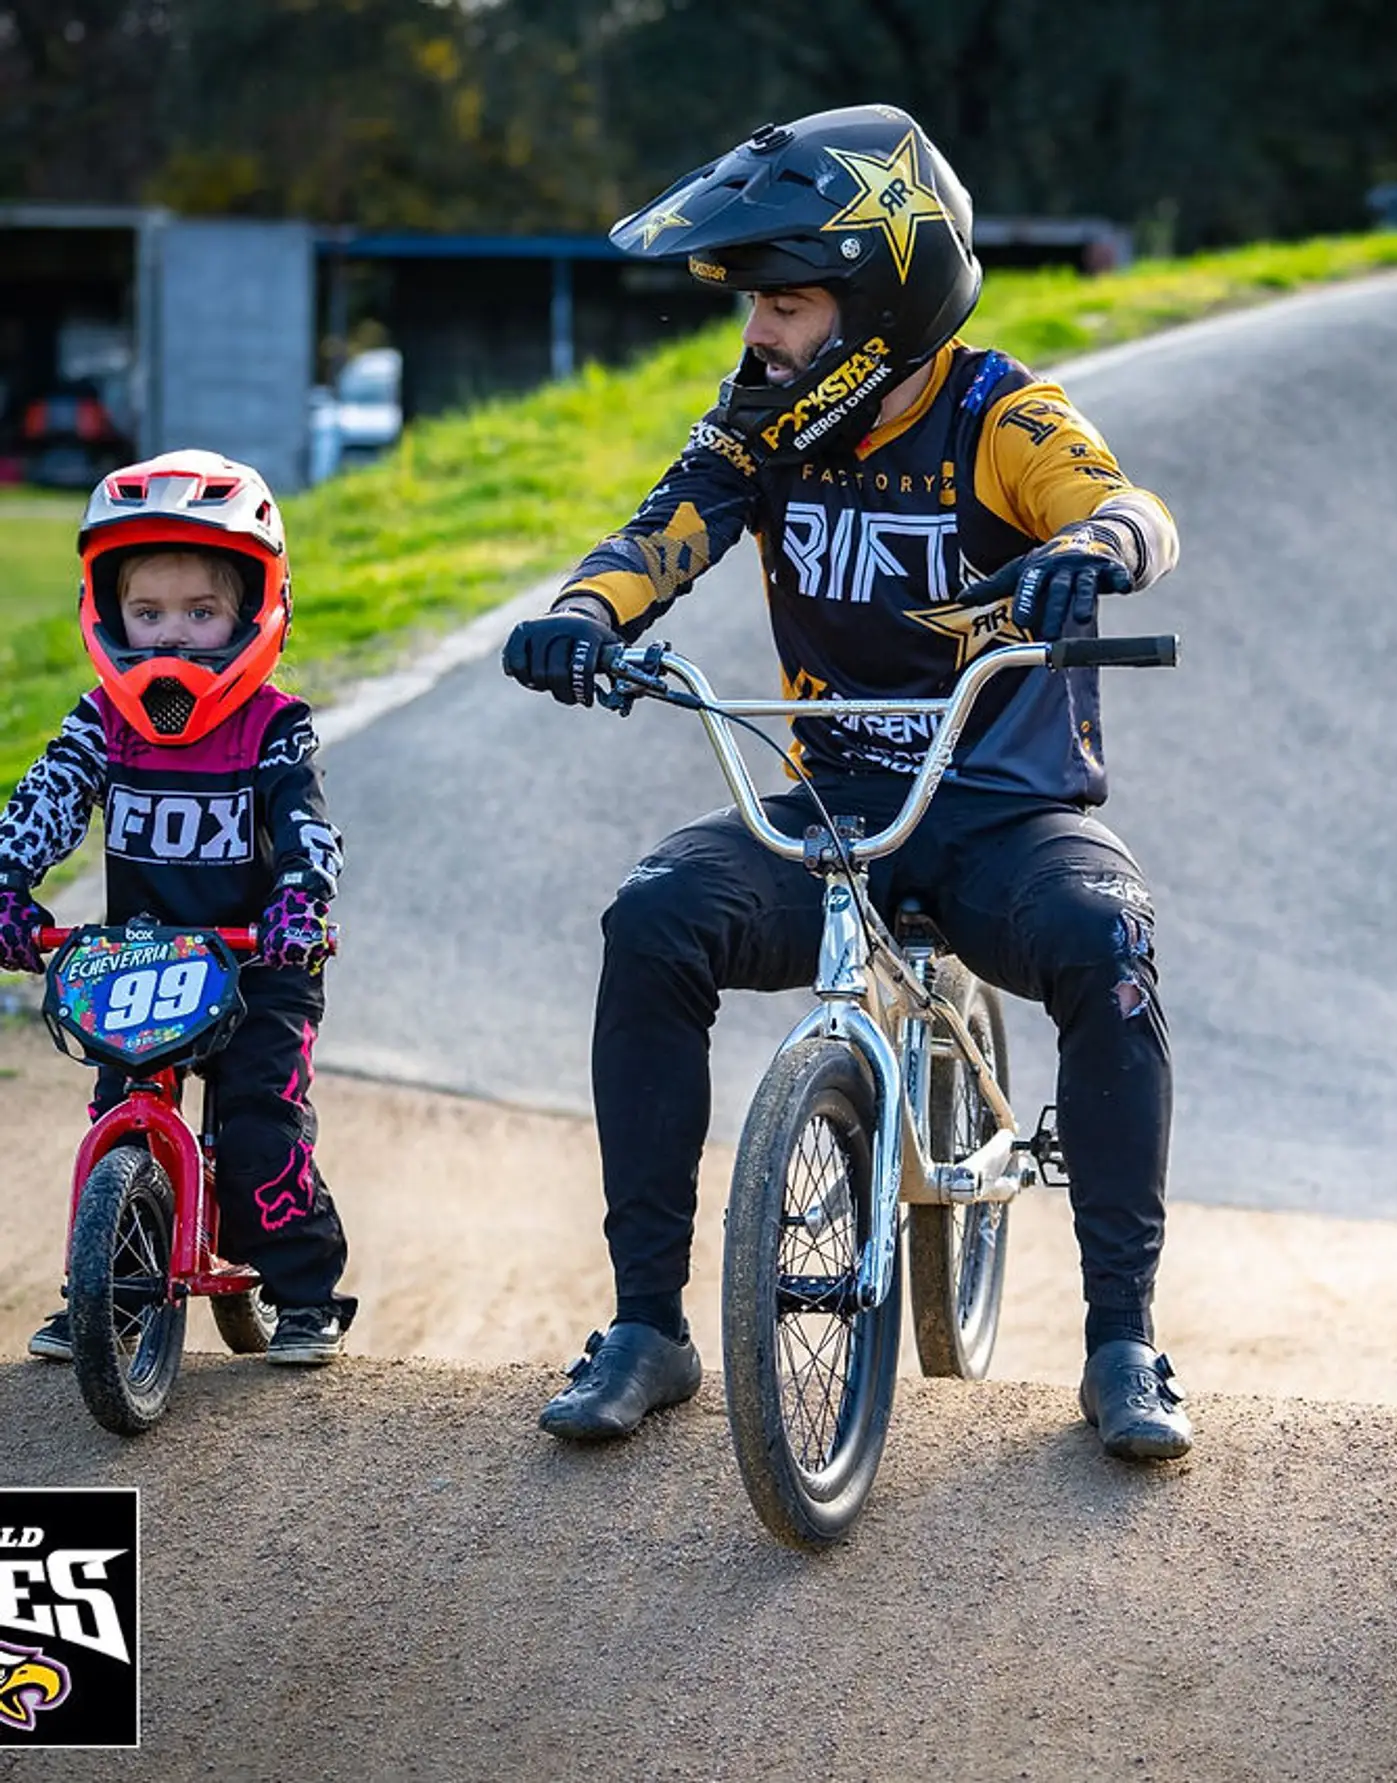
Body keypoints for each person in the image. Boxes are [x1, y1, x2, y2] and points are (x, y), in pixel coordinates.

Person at [502, 104, 1190, 1461]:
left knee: (1112, 944)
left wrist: (1095, 548)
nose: (758, 332)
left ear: (881, 300)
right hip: (829, 812)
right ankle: (648, 1324)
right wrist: (586, 615)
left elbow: (1134, 508)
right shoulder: (768, 426)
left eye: (789, 303)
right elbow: (667, 526)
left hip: (996, 815)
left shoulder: (1002, 411)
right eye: (754, 303)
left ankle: (1123, 1340)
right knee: (652, 917)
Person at [0, 448, 355, 1365]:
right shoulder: (100, 722)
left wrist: (299, 903)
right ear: (107, 612)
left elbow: (310, 829)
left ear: (253, 609)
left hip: (260, 961)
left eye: (201, 614)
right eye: (147, 613)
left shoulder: (276, 725)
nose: (171, 639)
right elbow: (47, 798)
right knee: (120, 1110)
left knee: (256, 1131)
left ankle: (304, 1291)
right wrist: (6, 882)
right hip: (136, 962)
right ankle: (104, 1290)